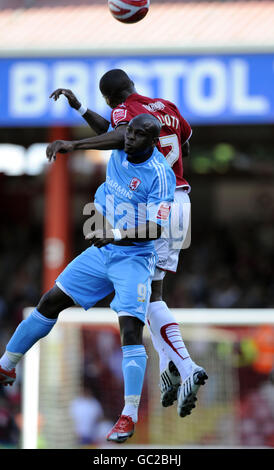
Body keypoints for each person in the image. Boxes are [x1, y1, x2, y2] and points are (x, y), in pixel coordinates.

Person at [0, 114, 176, 443]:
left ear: (153, 142)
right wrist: (72, 137)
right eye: (129, 131)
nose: (129, 138)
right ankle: (7, 364)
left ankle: (128, 415)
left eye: (139, 136)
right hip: (103, 251)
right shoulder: (121, 145)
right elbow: (102, 134)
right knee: (50, 301)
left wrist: (117, 234)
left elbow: (156, 229)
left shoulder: (160, 176)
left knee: (130, 332)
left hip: (134, 259)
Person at [46, 69, 208, 418]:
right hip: (181, 200)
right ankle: (172, 369)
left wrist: (74, 145)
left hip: (154, 205)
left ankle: (187, 365)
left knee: (146, 297)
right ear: (131, 86)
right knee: (153, 294)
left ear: (111, 99)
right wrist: (80, 108)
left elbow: (116, 136)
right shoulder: (165, 107)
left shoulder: (124, 112)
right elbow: (186, 144)